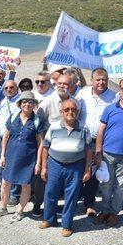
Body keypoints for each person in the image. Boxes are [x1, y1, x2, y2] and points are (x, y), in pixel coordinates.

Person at [93, 76, 123, 227]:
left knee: (120, 187)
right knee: (106, 185)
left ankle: (114, 213)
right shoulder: (110, 108)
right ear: (119, 90)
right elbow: (101, 131)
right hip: (107, 154)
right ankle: (105, 211)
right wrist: (98, 151)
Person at [39, 99, 93, 237]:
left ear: (78, 112)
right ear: (62, 112)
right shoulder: (54, 126)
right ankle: (49, 219)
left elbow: (88, 150)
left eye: (73, 110)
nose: (70, 112)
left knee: (72, 195)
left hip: (76, 166)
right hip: (55, 164)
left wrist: (87, 169)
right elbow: (45, 147)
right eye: (67, 109)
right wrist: (44, 167)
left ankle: (67, 224)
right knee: (50, 192)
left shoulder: (84, 128)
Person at [0, 91, 45, 219]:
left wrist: (38, 162)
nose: (27, 104)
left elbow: (41, 142)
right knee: (5, 182)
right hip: (10, 155)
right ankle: (3, 207)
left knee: (26, 184)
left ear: (34, 104)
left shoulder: (37, 120)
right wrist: (2, 155)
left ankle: (20, 210)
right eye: (24, 101)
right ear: (20, 104)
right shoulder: (13, 117)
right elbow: (6, 136)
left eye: (30, 102)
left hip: (29, 158)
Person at [76, 68, 116, 216]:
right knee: (78, 170)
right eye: (97, 79)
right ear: (92, 80)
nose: (101, 82)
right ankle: (75, 198)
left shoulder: (113, 97)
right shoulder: (82, 94)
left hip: (99, 140)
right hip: (80, 138)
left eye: (104, 79)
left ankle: (89, 203)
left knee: (93, 174)